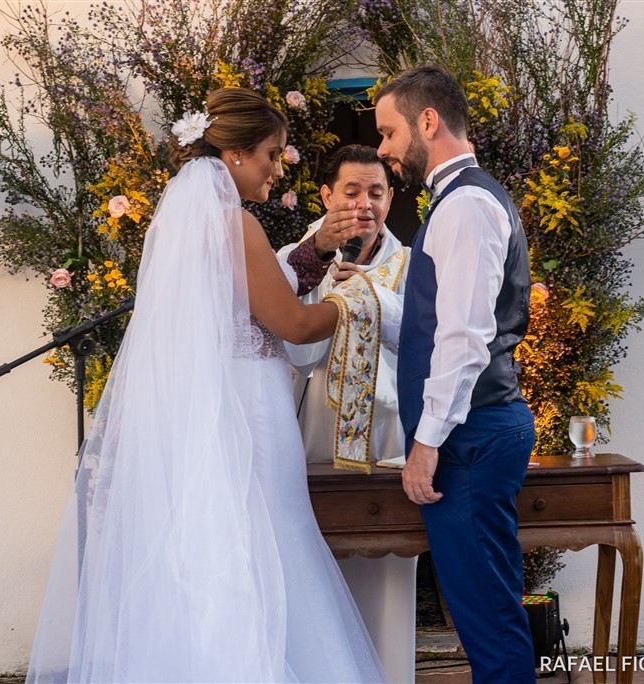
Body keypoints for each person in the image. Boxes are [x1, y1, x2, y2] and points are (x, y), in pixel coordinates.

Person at [27, 88, 386, 683]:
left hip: (216, 405)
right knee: (271, 537)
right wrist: (360, 300)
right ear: (239, 155)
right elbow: (293, 323)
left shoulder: (176, 226)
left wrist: (318, 253)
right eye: (272, 154)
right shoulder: (235, 225)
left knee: (224, 546)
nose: (278, 167)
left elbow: (249, 299)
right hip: (252, 410)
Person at [376, 65, 538, 683]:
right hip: (475, 428)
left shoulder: (466, 205)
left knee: (487, 618)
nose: (386, 150)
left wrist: (426, 444)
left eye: (389, 133)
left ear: (427, 121)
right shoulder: (462, 198)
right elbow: (436, 328)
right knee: (484, 610)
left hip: (470, 433)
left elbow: (466, 341)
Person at [277, 144, 415, 683]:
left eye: (376, 192)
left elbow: (423, 346)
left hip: (387, 435)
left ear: (391, 199)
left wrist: (372, 297)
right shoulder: (295, 258)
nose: (364, 204)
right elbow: (295, 353)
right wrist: (322, 290)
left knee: (389, 574)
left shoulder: (408, 264)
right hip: (316, 431)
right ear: (326, 195)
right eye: (351, 192)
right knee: (314, 567)